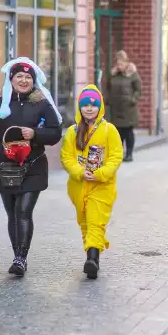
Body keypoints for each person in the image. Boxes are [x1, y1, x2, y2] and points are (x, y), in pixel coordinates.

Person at [0, 58, 62, 276]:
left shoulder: (42, 103)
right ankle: (18, 253)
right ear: (11, 79)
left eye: (28, 77)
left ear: (33, 80)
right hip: (5, 167)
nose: (24, 80)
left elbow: (55, 132)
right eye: (19, 77)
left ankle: (21, 259)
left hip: (32, 166)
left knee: (23, 211)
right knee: (12, 214)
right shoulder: (0, 104)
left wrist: (35, 134)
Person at [60, 85, 123, 279]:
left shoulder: (109, 130)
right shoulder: (73, 131)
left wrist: (101, 173)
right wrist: (80, 172)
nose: (89, 108)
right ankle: (92, 252)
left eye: (93, 105)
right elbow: (67, 157)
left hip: (102, 185)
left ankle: (92, 259)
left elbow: (115, 156)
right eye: (85, 105)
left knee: (96, 220)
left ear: (100, 107)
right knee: (85, 222)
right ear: (80, 107)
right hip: (79, 186)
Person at [107, 50, 141, 162]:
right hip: (116, 108)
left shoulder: (132, 74)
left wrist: (133, 100)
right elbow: (108, 87)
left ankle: (129, 153)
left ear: (126, 63)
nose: (119, 66)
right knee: (117, 133)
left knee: (128, 132)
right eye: (118, 64)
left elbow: (138, 90)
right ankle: (118, 154)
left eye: (121, 64)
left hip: (128, 109)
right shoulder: (113, 75)